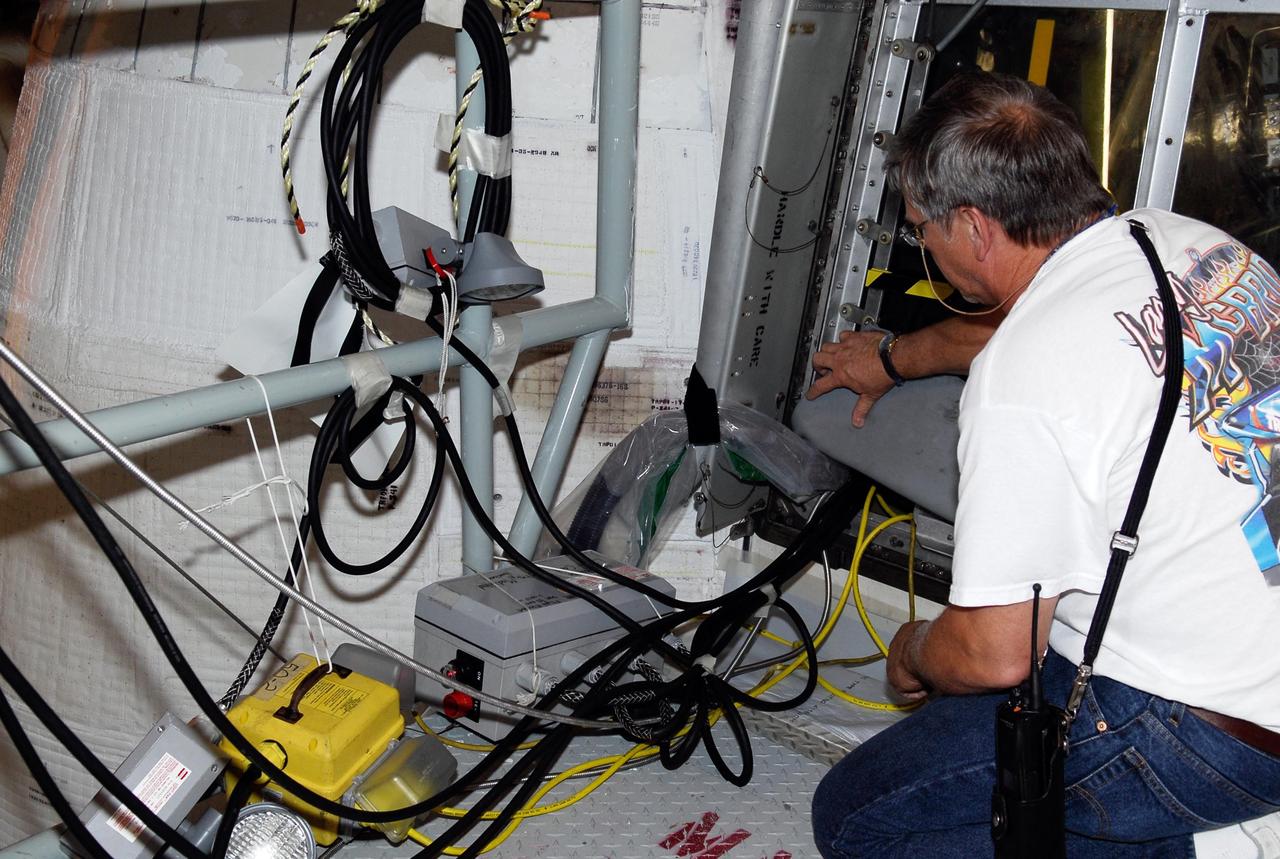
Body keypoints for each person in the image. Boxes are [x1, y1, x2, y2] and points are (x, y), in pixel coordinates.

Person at [808, 71, 1280, 858]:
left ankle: (1197, 844)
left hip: (1210, 732)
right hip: (1260, 665)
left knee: (861, 817)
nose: (921, 243)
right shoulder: (1188, 244)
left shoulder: (1023, 380)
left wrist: (913, 649)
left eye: (922, 226)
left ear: (973, 228)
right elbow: (1045, 334)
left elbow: (995, 652)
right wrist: (896, 357)